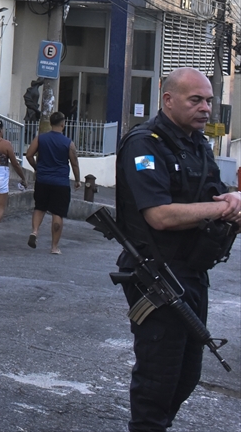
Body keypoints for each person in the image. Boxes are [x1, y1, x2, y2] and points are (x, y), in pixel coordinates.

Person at [114, 68, 241, 432]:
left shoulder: (198, 144)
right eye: (196, 100)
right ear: (168, 100)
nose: (206, 108)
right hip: (156, 274)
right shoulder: (145, 144)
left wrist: (232, 210)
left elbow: (213, 198)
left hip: (193, 272)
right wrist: (224, 208)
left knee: (186, 376)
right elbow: (159, 216)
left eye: (209, 101)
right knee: (158, 378)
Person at [24, 111, 81, 253]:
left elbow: (29, 155)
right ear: (63, 124)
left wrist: (37, 168)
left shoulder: (40, 139)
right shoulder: (68, 143)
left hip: (43, 180)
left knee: (40, 207)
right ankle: (54, 247)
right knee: (57, 213)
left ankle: (35, 231)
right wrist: (78, 180)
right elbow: (74, 163)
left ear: (50, 123)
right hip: (60, 182)